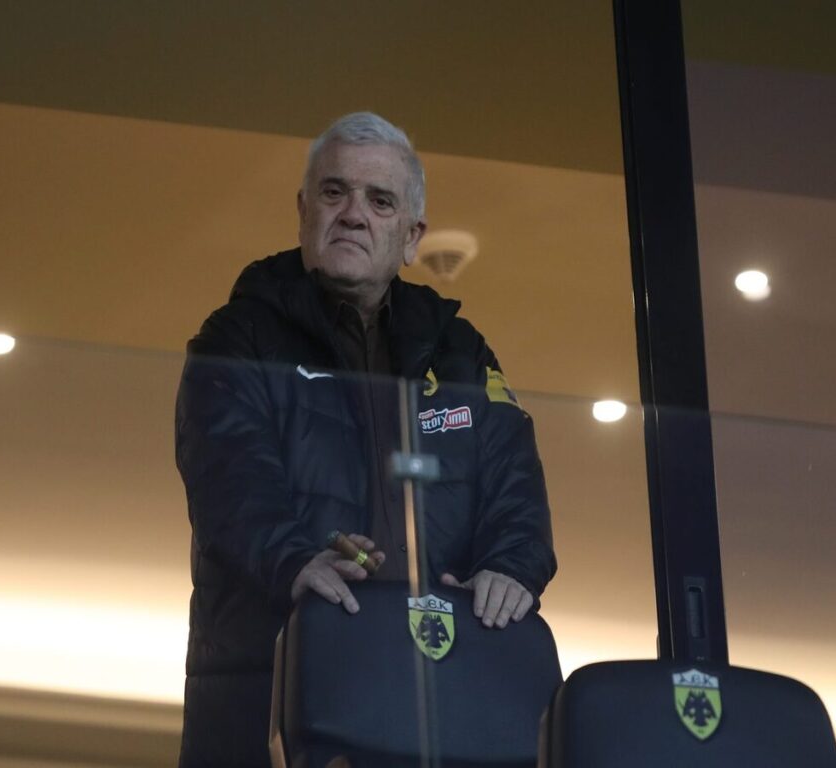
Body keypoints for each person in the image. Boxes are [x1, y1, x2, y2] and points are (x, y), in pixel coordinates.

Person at [175, 112, 556, 768]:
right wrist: (297, 560)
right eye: (335, 192)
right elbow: (229, 479)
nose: (353, 214)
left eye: (379, 201)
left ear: (412, 237)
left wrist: (512, 565)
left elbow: (514, 480)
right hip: (270, 702)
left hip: (431, 700)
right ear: (303, 213)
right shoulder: (238, 337)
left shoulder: (461, 353)